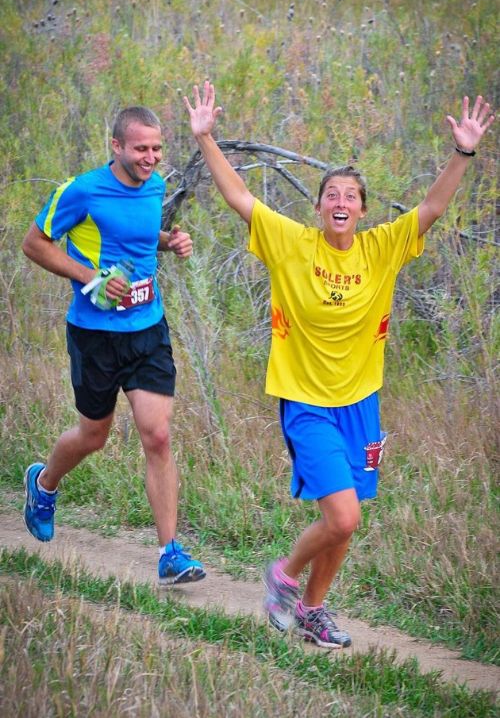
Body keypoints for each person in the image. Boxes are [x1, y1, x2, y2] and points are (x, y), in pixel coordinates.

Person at [184, 82, 494, 647]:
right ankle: (282, 576)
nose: (341, 203)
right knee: (343, 517)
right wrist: (205, 138)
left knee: (343, 522)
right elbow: (240, 199)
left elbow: (432, 207)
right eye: (332, 194)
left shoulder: (383, 248)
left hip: (361, 403)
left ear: (363, 209)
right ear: (320, 205)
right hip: (305, 400)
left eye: (351, 196)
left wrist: (463, 152)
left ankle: (313, 611)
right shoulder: (292, 243)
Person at [22, 105, 206, 586]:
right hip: (94, 336)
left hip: (148, 329)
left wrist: (170, 242)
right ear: (117, 146)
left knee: (158, 435)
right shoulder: (82, 190)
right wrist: (91, 278)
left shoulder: (156, 185)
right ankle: (44, 483)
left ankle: (170, 552)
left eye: (157, 149)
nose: (151, 158)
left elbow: (139, 239)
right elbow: (34, 244)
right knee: (93, 436)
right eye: (141, 149)